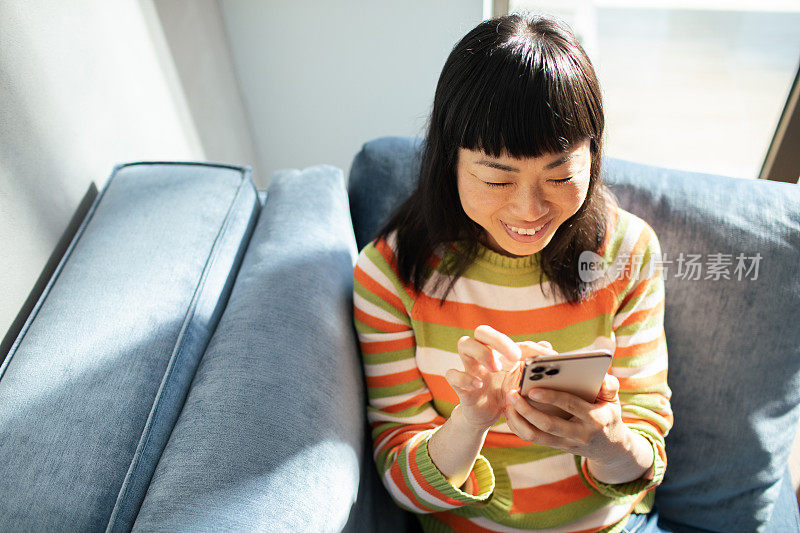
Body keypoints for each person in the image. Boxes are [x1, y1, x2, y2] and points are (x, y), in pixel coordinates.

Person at [352, 13, 672, 533]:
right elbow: (401, 484)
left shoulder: (627, 250)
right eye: (497, 178)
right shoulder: (390, 274)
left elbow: (645, 456)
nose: (529, 210)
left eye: (560, 174)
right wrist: (470, 420)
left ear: (593, 157)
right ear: (448, 160)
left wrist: (604, 441)